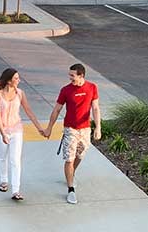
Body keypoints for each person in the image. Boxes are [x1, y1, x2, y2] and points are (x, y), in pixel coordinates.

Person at [43, 63, 102, 205]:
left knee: (80, 155)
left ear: (81, 75)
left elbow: (95, 108)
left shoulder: (92, 87)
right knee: (69, 158)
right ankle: (70, 190)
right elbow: (56, 110)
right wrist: (49, 128)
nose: (70, 78)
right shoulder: (66, 90)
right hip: (70, 129)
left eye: (72, 75)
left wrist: (98, 127)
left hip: (85, 129)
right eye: (69, 75)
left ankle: (71, 173)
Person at [0, 68, 45, 201]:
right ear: (8, 81)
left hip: (16, 130)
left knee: (15, 160)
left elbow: (28, 111)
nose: (19, 80)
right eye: (16, 78)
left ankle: (16, 190)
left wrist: (39, 128)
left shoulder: (20, 93)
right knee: (2, 157)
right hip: (1, 131)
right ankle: (4, 181)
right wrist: (3, 133)